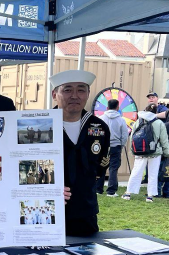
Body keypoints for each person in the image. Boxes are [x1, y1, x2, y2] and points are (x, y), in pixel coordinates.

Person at [50, 70, 110, 236]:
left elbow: (101, 166)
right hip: (48, 210)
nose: (75, 96)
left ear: (88, 94)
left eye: (81, 90)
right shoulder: (41, 125)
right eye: (67, 90)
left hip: (85, 211)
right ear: (55, 94)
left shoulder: (100, 128)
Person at [122, 103, 169, 203]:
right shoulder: (159, 123)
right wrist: (167, 153)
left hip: (140, 152)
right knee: (153, 174)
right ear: (156, 112)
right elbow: (164, 140)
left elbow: (132, 137)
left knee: (136, 172)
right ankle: (150, 196)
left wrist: (133, 150)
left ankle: (128, 193)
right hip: (155, 152)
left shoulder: (138, 121)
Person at [96, 99, 130, 197]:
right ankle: (111, 191)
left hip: (103, 147)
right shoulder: (121, 120)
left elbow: (97, 133)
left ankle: (98, 189)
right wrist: (121, 145)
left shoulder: (100, 118)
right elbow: (124, 135)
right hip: (116, 146)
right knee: (113, 168)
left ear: (107, 107)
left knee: (101, 166)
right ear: (118, 108)